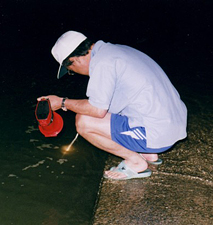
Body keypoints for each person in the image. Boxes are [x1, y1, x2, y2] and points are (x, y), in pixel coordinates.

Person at [37, 30, 187, 180]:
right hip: (174, 126)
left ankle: (135, 162)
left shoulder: (103, 64)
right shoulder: (117, 51)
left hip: (159, 135)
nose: (74, 74)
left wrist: (63, 102)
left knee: (83, 122)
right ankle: (148, 153)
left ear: (76, 60)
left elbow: (97, 110)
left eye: (71, 71)